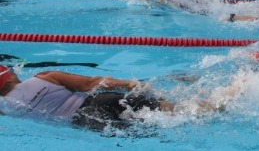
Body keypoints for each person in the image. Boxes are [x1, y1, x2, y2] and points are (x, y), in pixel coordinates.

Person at [0, 64, 239, 131]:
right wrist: (131, 83)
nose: (14, 70)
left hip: (89, 124)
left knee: (158, 128)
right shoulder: (45, 76)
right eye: (9, 70)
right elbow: (92, 83)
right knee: (183, 111)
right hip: (102, 102)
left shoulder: (6, 108)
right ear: (8, 77)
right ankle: (234, 92)